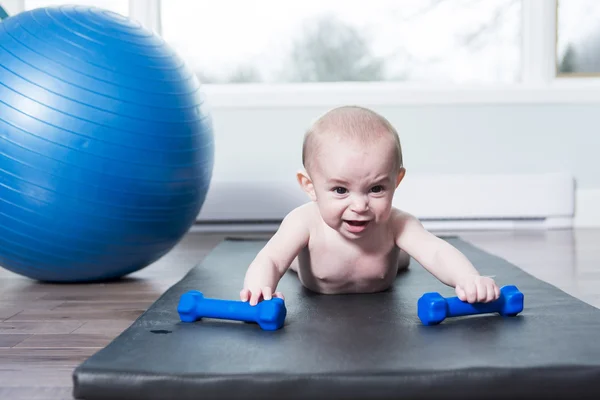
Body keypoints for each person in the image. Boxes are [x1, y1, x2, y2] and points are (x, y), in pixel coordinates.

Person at [240, 105, 500, 306]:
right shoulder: (304, 222)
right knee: (292, 257)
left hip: (388, 260)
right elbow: (272, 260)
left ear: (396, 181)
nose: (360, 205)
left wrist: (468, 279)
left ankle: (400, 257)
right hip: (309, 267)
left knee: (404, 255)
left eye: (376, 189)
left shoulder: (397, 224)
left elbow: (435, 252)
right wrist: (259, 290)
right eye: (340, 190)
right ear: (310, 186)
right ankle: (301, 260)